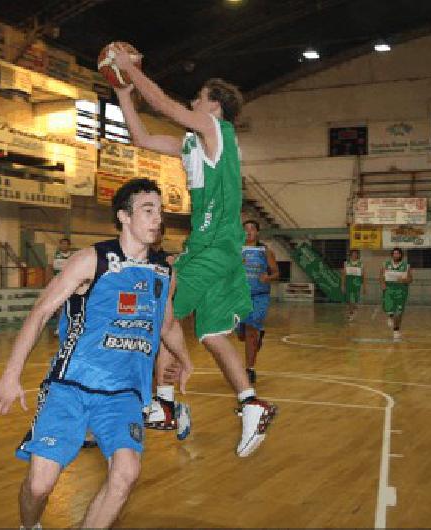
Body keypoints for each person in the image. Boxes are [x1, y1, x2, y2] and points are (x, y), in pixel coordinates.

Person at [0, 179, 193, 529]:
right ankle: (29, 526)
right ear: (124, 216)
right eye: (148, 210)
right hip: (70, 387)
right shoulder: (91, 261)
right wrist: (11, 375)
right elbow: (40, 313)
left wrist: (186, 360)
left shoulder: (164, 273)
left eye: (160, 211)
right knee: (39, 486)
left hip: (124, 394)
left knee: (126, 474)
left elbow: (167, 324)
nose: (157, 218)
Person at [111, 45, 277, 457]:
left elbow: (167, 106)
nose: (193, 102)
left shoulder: (217, 131)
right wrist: (122, 93)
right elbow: (142, 137)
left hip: (213, 247)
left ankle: (164, 403)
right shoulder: (192, 146)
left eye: (200, 98)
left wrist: (132, 69)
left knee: (160, 308)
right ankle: (250, 403)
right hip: (217, 250)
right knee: (214, 335)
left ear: (214, 107)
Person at [143, 224, 191, 440]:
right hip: (132, 324)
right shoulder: (127, 256)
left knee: (163, 354)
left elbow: (170, 300)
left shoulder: (168, 262)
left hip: (158, 318)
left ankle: (167, 403)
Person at [236, 220, 279, 385]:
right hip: (239, 296)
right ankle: (257, 337)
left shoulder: (265, 251)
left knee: (250, 330)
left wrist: (268, 277)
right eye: (245, 229)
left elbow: (276, 273)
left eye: (252, 229)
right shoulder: (236, 250)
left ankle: (249, 369)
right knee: (242, 335)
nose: (248, 232)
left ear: (257, 232)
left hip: (259, 296)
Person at [379, 247, 414, 341]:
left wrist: (403, 280)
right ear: (392, 255)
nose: (396, 255)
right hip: (389, 290)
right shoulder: (385, 264)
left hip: (401, 291)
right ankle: (390, 316)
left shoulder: (406, 266)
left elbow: (410, 280)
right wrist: (382, 284)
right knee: (388, 308)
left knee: (398, 313)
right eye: (394, 253)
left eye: (398, 253)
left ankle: (396, 331)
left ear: (400, 255)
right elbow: (381, 276)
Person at [47, 238, 74, 336]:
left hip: (71, 284)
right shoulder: (54, 256)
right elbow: (49, 269)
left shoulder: (73, 256)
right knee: (59, 307)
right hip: (58, 284)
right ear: (59, 245)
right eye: (62, 244)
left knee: (71, 307)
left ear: (69, 245)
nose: (64, 246)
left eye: (66, 244)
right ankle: (59, 327)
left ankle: (71, 327)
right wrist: (50, 282)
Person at [341, 248, 367, 322]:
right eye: (353, 254)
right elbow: (343, 275)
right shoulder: (346, 263)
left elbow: (364, 276)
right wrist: (342, 285)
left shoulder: (361, 264)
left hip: (356, 284)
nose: (354, 255)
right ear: (350, 255)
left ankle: (351, 314)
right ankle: (354, 309)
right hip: (348, 284)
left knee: (353, 300)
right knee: (349, 301)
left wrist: (364, 287)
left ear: (357, 255)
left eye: (356, 254)